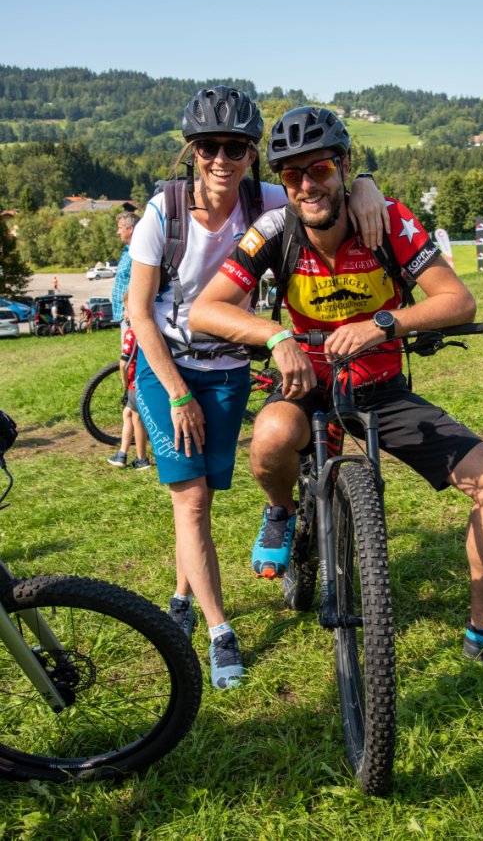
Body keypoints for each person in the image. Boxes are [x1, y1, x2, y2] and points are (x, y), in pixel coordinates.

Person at [190, 105, 483, 663]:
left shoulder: (388, 219)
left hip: (381, 385)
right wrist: (276, 336)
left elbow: (458, 300)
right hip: (308, 382)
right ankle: (281, 511)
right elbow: (206, 309)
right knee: (270, 436)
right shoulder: (274, 229)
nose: (307, 185)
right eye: (293, 175)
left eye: (320, 169)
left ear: (345, 167)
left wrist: (383, 324)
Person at [127, 86, 389, 689]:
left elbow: (319, 189)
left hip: (228, 366)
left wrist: (366, 183)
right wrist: (176, 393)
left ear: (251, 155)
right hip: (167, 366)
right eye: (208, 147)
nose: (222, 160)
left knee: (199, 495)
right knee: (192, 499)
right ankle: (220, 632)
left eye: (236, 148)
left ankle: (181, 596)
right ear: (192, 151)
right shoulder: (162, 214)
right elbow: (139, 312)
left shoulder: (265, 198)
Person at [107, 292, 152, 471]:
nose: (124, 313)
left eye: (125, 309)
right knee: (128, 414)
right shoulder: (151, 329)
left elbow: (123, 364)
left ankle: (141, 459)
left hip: (136, 382)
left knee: (137, 418)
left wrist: (125, 384)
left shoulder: (132, 334)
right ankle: (122, 454)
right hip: (144, 380)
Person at [112, 213, 140, 335]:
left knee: (130, 346)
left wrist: (128, 308)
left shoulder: (138, 252)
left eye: (120, 228)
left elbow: (138, 282)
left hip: (130, 314)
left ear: (130, 229)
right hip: (124, 314)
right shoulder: (127, 251)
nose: (118, 232)